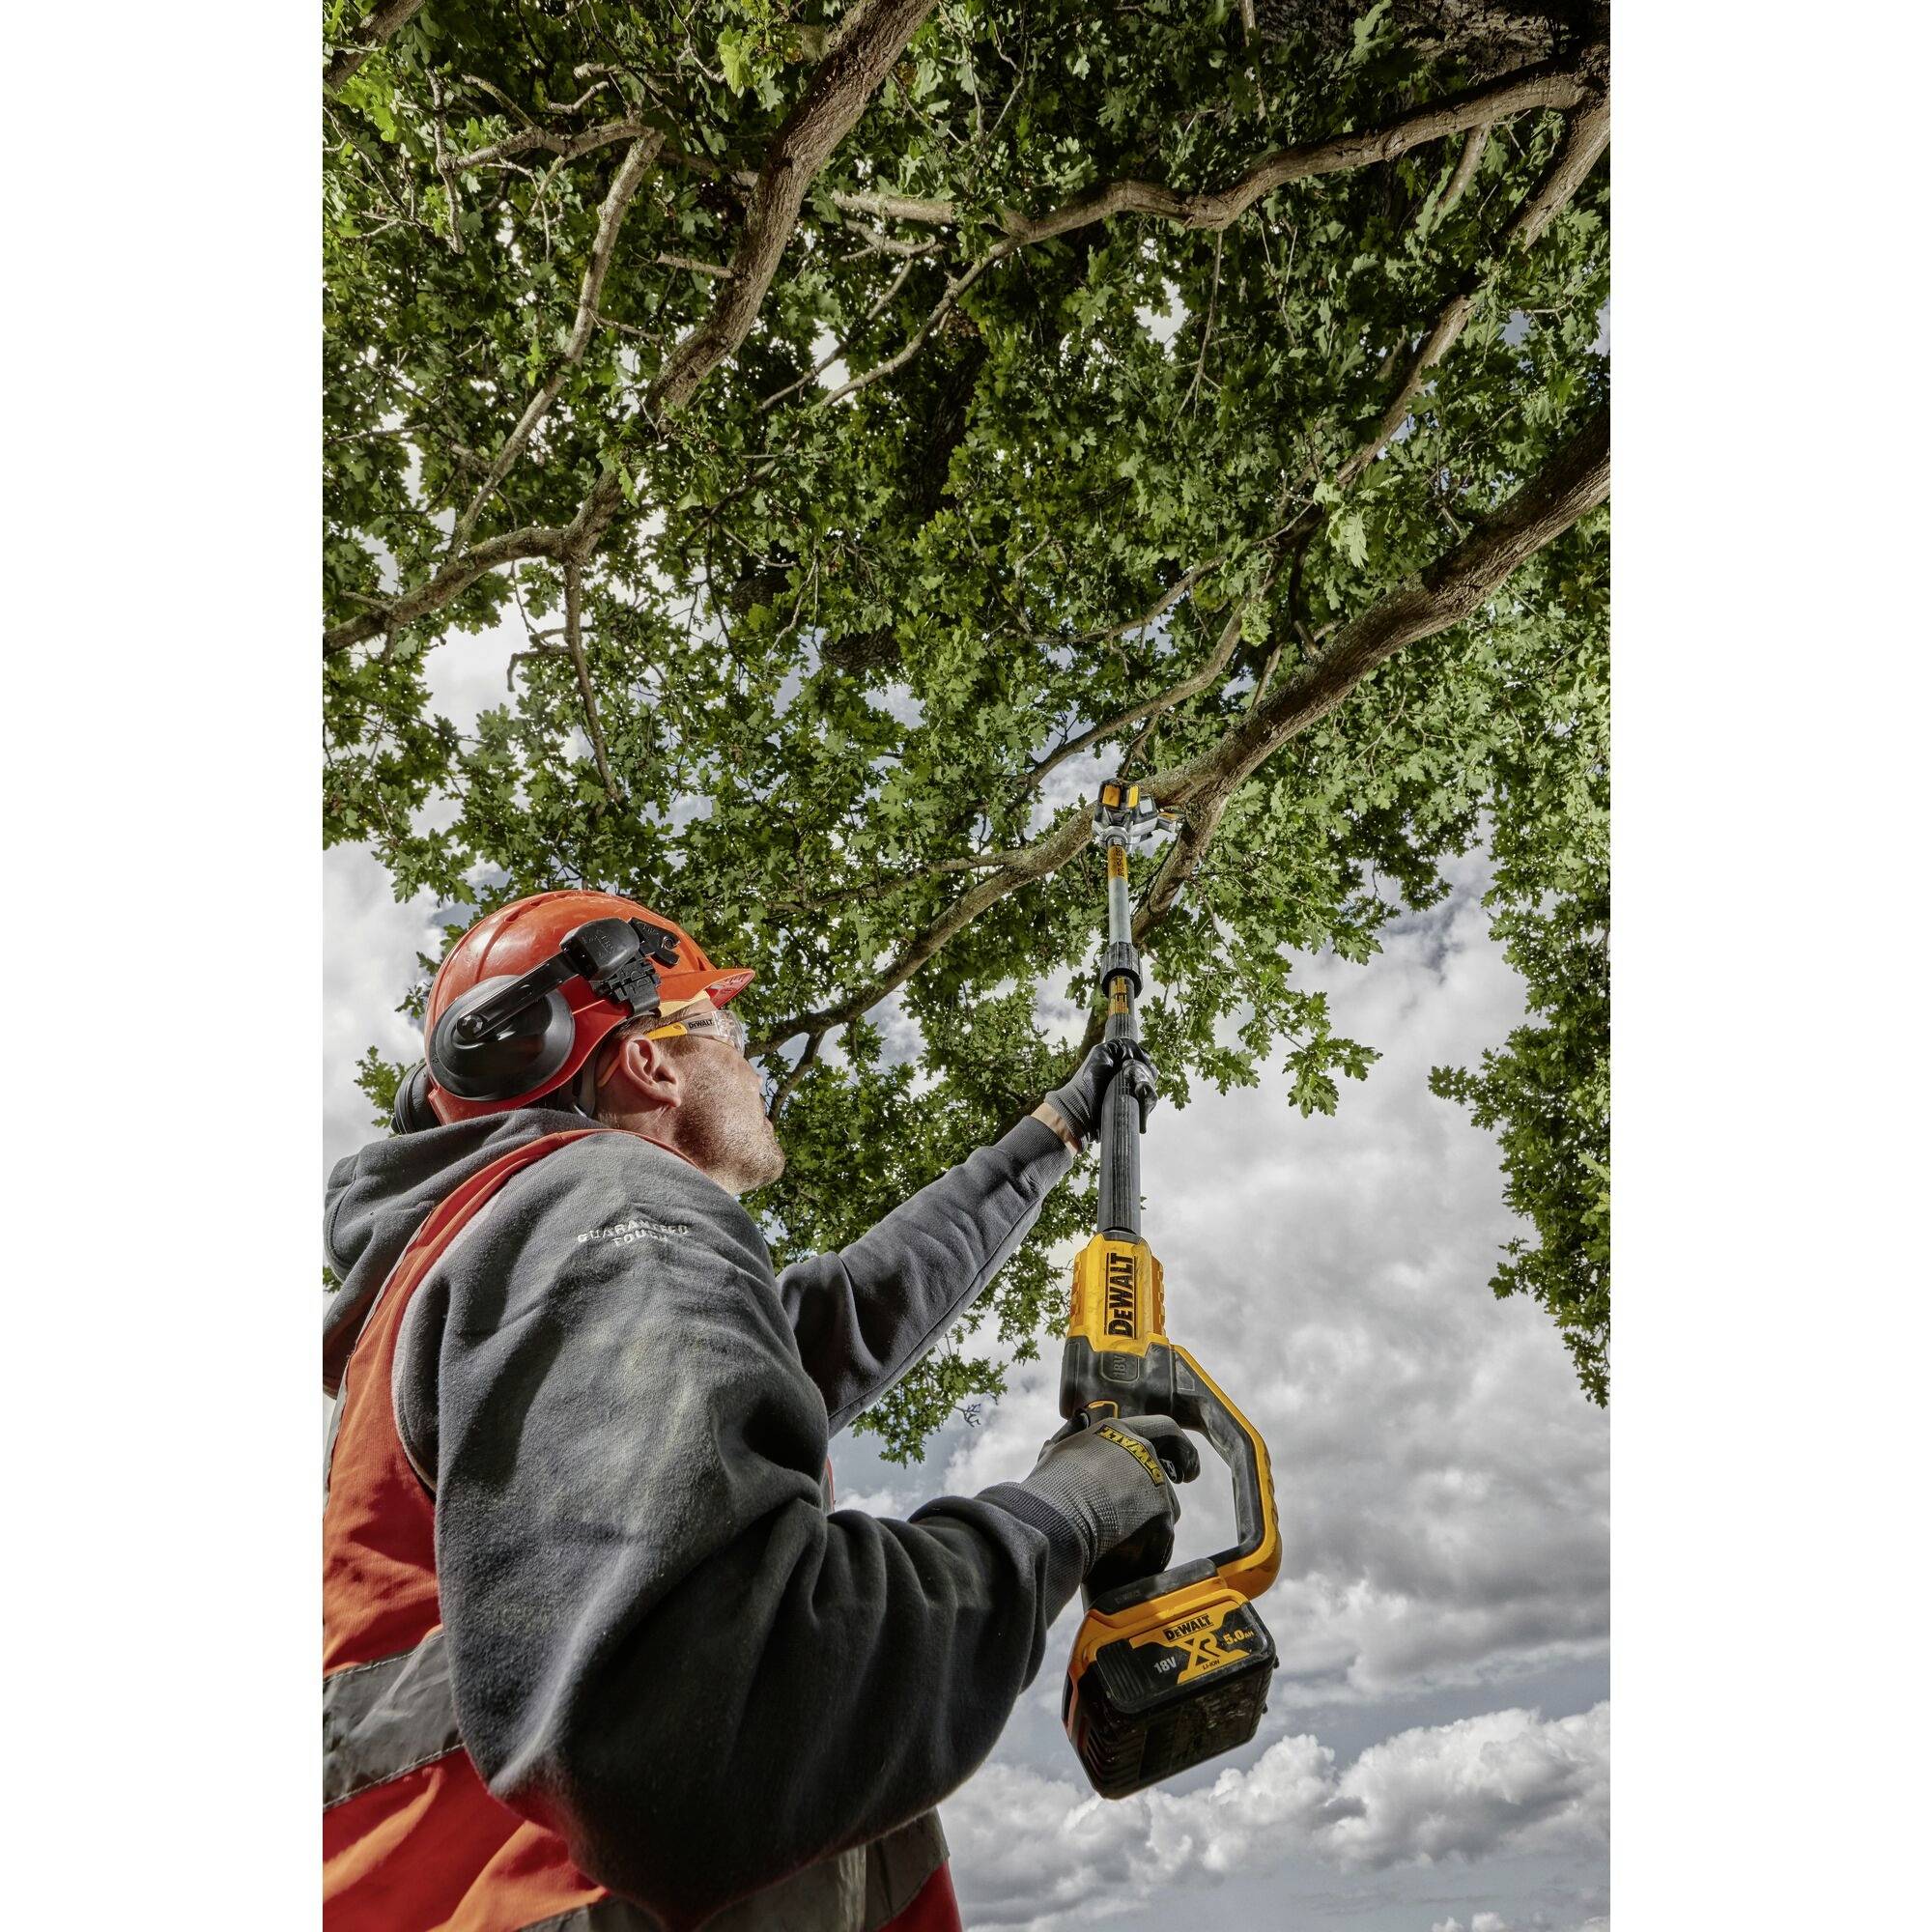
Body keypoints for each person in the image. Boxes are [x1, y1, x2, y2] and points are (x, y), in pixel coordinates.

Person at [323, 890, 1199, 1932]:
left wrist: (1054, 1131)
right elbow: (725, 1717)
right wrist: (1065, 1511)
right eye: (726, 1032)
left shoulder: (486, 1277)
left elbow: (837, 1318)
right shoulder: (604, 1202)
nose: (755, 1067)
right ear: (650, 1061)